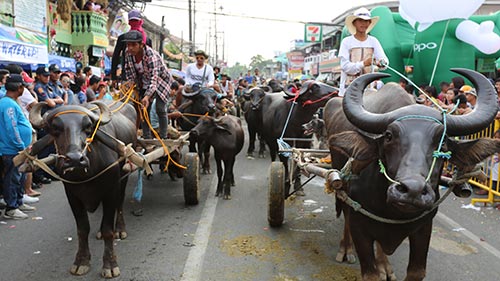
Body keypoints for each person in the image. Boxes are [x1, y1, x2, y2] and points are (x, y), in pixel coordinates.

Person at [122, 30, 173, 140]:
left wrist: (147, 96)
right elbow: (129, 72)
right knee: (143, 109)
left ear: (141, 45)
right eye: (128, 45)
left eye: (134, 45)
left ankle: (163, 137)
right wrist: (130, 84)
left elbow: (154, 79)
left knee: (160, 108)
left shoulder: (151, 55)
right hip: (143, 81)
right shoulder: (128, 54)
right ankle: (147, 137)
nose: (130, 48)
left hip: (161, 81)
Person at [0, 74, 36, 219]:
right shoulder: (8, 104)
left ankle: (19, 202)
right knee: (12, 178)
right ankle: (11, 208)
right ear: (19, 88)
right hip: (12, 149)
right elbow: (12, 128)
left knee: (19, 176)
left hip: (17, 148)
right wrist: (20, 145)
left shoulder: (11, 102)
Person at [338, 7, 388, 96]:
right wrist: (364, 63)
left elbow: (384, 61)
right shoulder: (346, 41)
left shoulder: (374, 41)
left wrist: (381, 62)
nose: (363, 24)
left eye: (366, 21)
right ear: (354, 23)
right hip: (349, 90)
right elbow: (345, 66)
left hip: (368, 91)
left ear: (369, 23)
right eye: (360, 21)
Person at [111, 9, 152, 82]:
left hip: (129, 78)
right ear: (141, 22)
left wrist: (114, 77)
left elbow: (115, 57)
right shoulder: (147, 40)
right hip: (139, 79)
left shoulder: (122, 38)